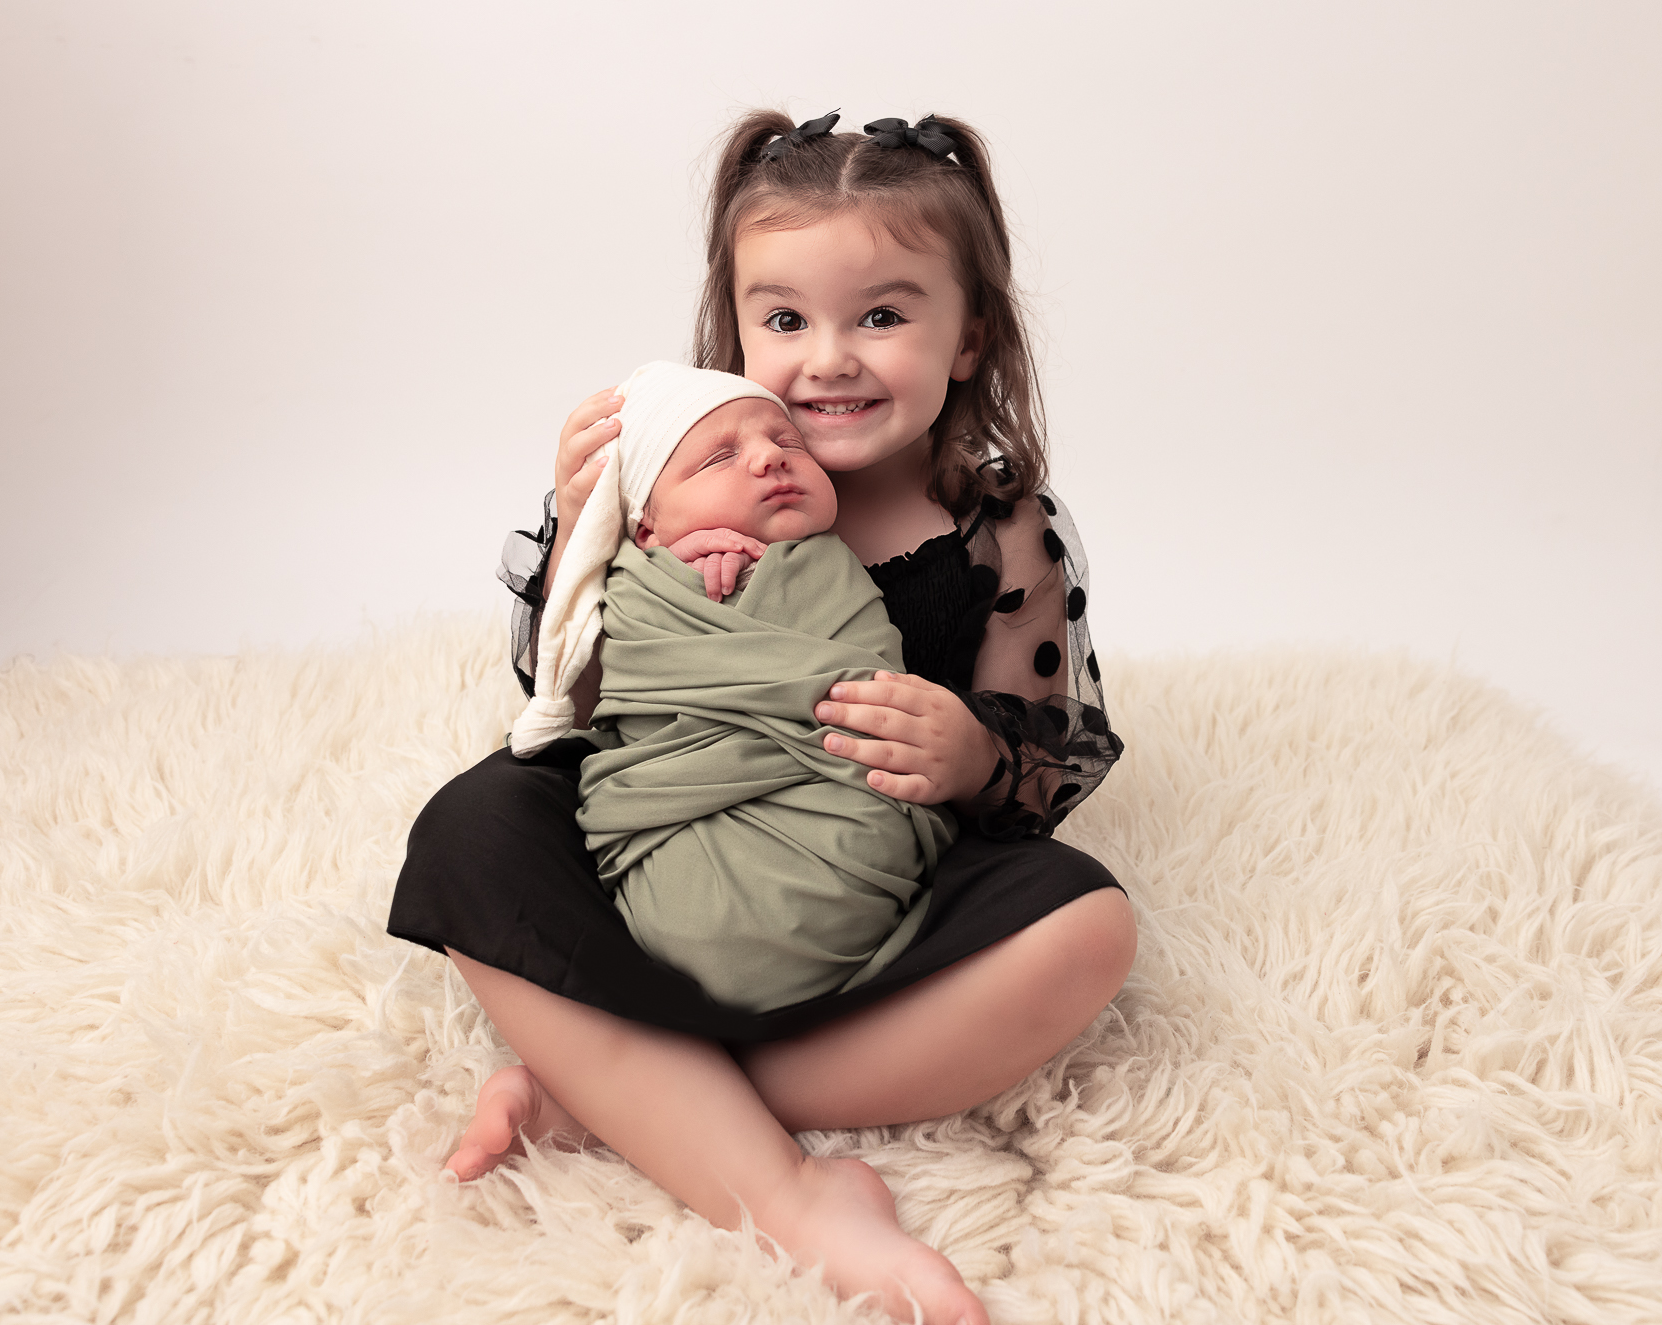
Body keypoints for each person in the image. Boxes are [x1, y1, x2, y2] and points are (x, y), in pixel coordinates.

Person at [388, 110, 1133, 1325]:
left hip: (874, 900)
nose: (828, 358)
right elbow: (565, 699)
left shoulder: (996, 528)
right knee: (469, 828)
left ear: (968, 337)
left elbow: (1041, 764)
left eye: (882, 316)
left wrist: (972, 752)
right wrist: (588, 517)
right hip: (672, 868)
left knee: (1088, 927)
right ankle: (790, 1193)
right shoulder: (678, 486)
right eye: (783, 320)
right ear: (731, 329)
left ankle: (622, 1090)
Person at [515, 359, 958, 1012]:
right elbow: (592, 688)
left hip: (841, 828)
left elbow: (871, 691)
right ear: (645, 529)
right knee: (473, 826)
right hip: (684, 832)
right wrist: (673, 579)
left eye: (788, 444)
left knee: (1073, 907)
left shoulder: (831, 566)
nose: (769, 460)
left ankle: (653, 1074)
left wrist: (756, 585)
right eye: (719, 458)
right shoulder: (639, 585)